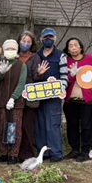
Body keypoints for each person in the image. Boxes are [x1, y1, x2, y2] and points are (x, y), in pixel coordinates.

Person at [27, 28, 67, 163]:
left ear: (55, 39)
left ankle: (56, 152)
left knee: (53, 124)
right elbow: (32, 75)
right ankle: (44, 152)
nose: (48, 40)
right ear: (41, 40)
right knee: (40, 125)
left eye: (50, 37)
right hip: (39, 96)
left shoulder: (60, 56)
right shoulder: (37, 56)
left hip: (53, 96)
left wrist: (61, 87)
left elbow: (64, 76)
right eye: (45, 38)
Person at [63, 37, 92, 162]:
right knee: (72, 125)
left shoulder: (90, 59)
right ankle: (75, 149)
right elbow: (64, 80)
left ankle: (85, 150)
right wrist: (72, 76)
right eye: (70, 46)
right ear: (67, 49)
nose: (73, 48)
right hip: (71, 100)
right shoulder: (66, 61)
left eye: (75, 45)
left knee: (86, 125)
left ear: (81, 47)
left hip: (86, 100)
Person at [0, 39, 27, 164]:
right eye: (7, 49)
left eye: (12, 49)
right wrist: (1, 72)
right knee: (2, 127)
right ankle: (3, 153)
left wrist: (13, 98)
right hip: (2, 101)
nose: (10, 51)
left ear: (17, 50)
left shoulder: (21, 66)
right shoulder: (1, 63)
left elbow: (21, 83)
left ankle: (13, 154)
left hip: (17, 102)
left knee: (15, 127)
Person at [18, 32, 38, 161]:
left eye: (28, 41)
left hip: (30, 96)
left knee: (27, 125)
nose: (26, 43)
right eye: (23, 40)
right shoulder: (13, 55)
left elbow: (36, 77)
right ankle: (14, 153)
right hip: (15, 96)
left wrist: (40, 74)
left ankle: (28, 153)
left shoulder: (35, 58)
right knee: (16, 125)